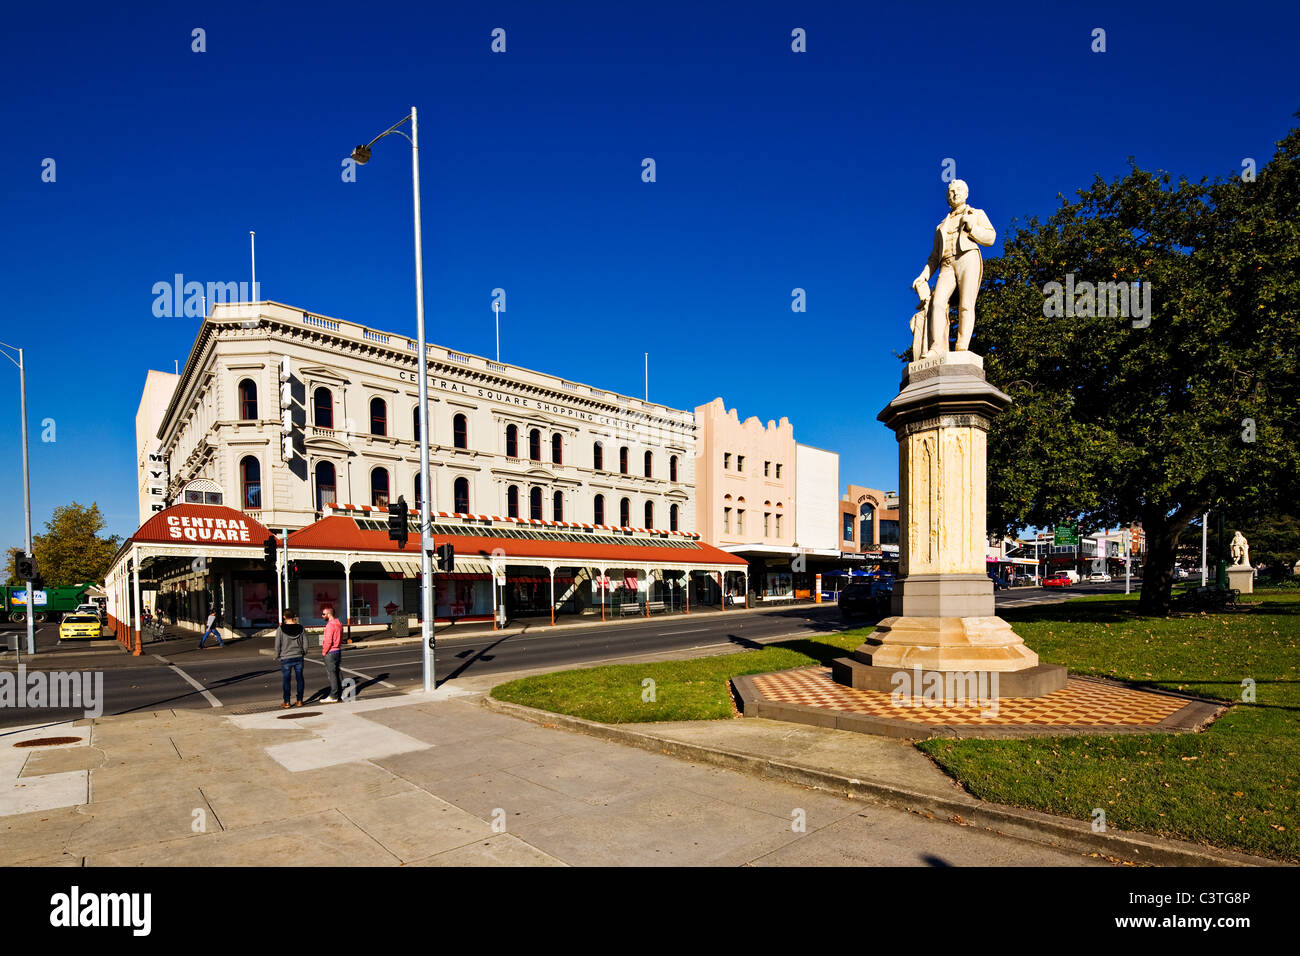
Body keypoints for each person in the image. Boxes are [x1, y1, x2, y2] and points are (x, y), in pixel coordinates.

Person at [274, 609, 307, 708]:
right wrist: (303, 652)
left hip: (286, 657)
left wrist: (277, 655)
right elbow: (305, 642)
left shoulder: (280, 629)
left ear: (284, 617)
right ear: (294, 616)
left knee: (286, 680)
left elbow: (277, 644)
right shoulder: (301, 628)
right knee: (300, 679)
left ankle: (287, 702)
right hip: (298, 656)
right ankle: (300, 700)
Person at [320, 604, 343, 702]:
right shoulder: (339, 623)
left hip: (330, 652)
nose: (322, 616)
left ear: (329, 614)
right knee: (337, 672)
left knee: (332, 674)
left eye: (323, 614)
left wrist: (324, 652)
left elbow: (328, 641)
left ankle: (334, 695)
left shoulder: (330, 625)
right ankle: (341, 693)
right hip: (337, 650)